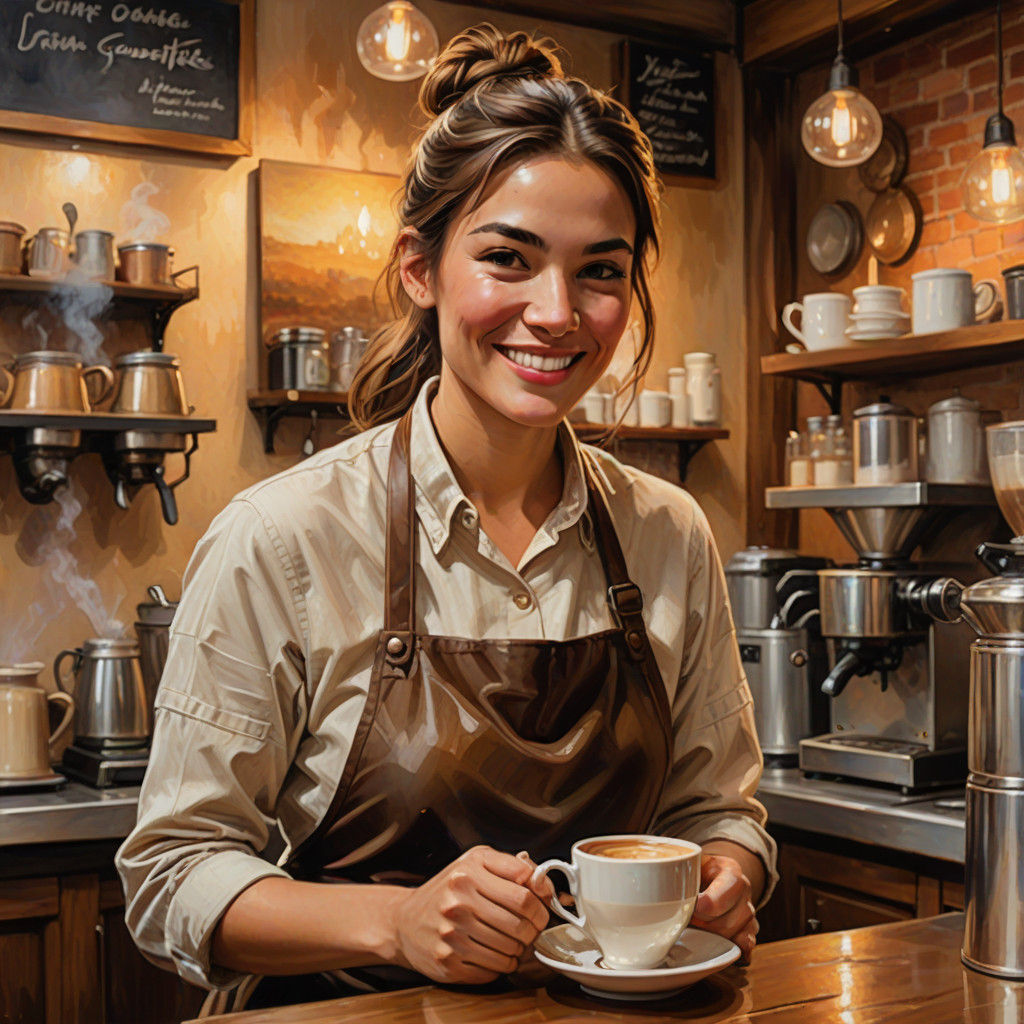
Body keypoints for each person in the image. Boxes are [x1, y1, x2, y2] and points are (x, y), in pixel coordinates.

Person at [116, 23, 777, 1011]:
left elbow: (716, 806)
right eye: (508, 258)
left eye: (601, 269)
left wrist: (729, 872)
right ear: (420, 270)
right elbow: (171, 874)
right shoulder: (284, 537)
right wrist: (396, 921)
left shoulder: (666, 533)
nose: (557, 311)